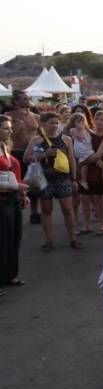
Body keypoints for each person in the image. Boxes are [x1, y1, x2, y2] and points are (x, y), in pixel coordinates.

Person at [23, 112, 82, 251]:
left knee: (68, 209)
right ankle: (49, 241)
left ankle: (73, 239)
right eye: (51, 123)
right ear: (43, 124)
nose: (54, 126)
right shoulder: (36, 140)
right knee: (46, 210)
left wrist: (74, 179)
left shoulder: (66, 139)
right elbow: (26, 158)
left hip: (63, 179)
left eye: (56, 123)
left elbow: (72, 159)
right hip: (44, 180)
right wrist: (45, 154)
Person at [0, 115, 30, 289]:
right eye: (5, 128)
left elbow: (12, 174)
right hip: (2, 201)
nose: (10, 130)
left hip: (12, 199)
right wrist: (17, 186)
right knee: (2, 240)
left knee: (13, 238)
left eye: (9, 127)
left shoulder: (5, 146)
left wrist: (22, 194)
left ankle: (9, 275)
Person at [6, 91, 40, 223]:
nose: (28, 100)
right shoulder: (9, 116)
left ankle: (34, 212)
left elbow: (40, 135)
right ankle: (15, 212)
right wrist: (17, 127)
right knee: (16, 184)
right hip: (16, 152)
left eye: (28, 98)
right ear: (16, 101)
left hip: (32, 153)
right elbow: (8, 137)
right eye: (25, 99)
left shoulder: (35, 116)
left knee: (33, 184)